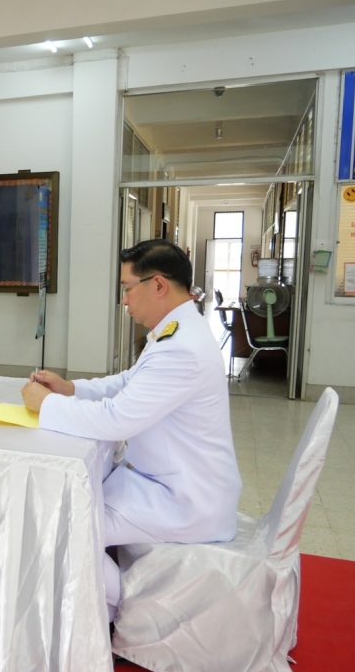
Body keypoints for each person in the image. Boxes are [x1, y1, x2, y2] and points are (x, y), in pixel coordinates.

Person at [21, 239, 241, 618]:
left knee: (62, 526)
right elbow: (129, 383)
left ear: (158, 285)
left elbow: (117, 419)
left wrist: (47, 406)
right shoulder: (177, 331)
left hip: (184, 500)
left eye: (127, 289)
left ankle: (126, 613)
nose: (124, 301)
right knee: (68, 503)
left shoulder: (181, 347)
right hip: (167, 482)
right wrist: (71, 389)